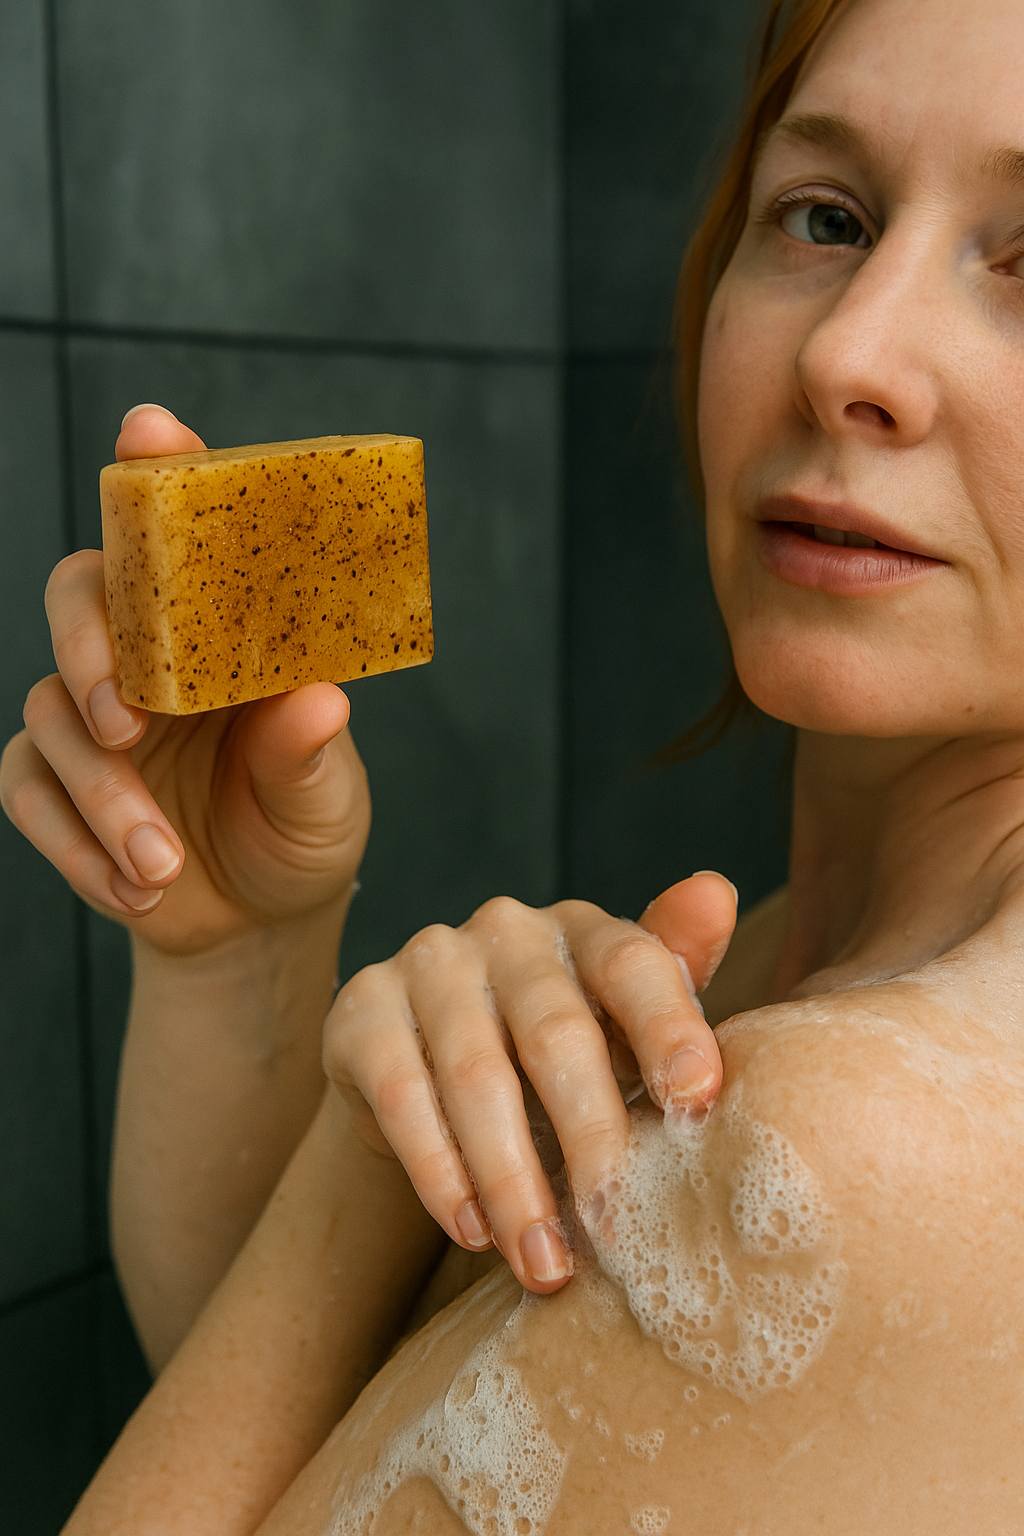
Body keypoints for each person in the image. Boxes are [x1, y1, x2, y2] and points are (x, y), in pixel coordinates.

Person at [5, 0, 1024, 1528]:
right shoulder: (767, 968)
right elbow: (321, 1412)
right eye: (824, 216)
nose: (847, 354)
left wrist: (365, 1160)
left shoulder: (858, 1155)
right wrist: (238, 953)